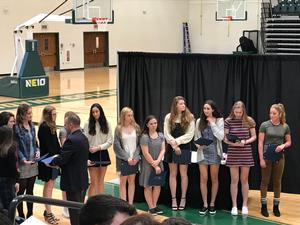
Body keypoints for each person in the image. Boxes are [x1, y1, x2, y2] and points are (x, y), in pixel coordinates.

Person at [50, 113, 89, 225]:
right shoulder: (83, 137)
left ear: (71, 125)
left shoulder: (71, 140)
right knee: (80, 211)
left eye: (65, 124)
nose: (64, 126)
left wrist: (51, 162)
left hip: (73, 182)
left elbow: (62, 159)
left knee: (74, 213)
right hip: (82, 180)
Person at [258, 103, 291, 217]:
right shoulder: (264, 125)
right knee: (265, 181)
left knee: (277, 181)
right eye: (270, 113)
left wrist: (282, 146)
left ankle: (276, 206)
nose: (271, 115)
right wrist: (261, 158)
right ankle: (263, 206)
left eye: (274, 113)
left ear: (280, 114)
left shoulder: (285, 126)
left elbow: (289, 142)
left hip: (279, 157)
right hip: (267, 156)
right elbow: (260, 142)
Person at [224, 101, 256, 216]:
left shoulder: (249, 120)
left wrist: (245, 142)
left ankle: (244, 205)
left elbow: (254, 136)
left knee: (244, 180)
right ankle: (234, 206)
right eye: (236, 112)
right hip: (233, 152)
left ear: (243, 111)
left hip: (245, 152)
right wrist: (233, 144)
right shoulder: (228, 121)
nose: (238, 114)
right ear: (233, 110)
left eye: (240, 112)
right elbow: (225, 138)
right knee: (234, 180)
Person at [163, 96, 195, 211]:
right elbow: (166, 134)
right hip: (172, 147)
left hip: (184, 147)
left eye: (184, 103)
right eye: (181, 104)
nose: (183, 105)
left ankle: (183, 198)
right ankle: (173, 199)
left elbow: (190, 135)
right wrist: (174, 145)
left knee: (183, 174)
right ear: (175, 105)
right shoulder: (169, 117)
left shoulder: (189, 117)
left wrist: (177, 142)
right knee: (173, 174)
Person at [194, 100, 224, 215]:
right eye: (204, 108)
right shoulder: (198, 121)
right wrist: (198, 145)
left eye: (208, 108)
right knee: (203, 178)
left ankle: (212, 203)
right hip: (202, 153)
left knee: (214, 178)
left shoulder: (219, 120)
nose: (205, 111)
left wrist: (212, 123)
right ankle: (205, 204)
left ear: (213, 110)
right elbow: (196, 137)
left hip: (215, 153)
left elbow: (220, 137)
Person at [14, 103, 39, 219]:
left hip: (33, 164)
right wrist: (23, 159)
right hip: (23, 165)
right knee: (21, 193)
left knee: (30, 191)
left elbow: (35, 143)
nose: (30, 115)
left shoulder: (32, 125)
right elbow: (16, 147)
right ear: (22, 114)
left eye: (31, 113)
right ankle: (21, 216)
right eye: (28, 113)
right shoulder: (17, 127)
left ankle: (30, 215)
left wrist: (37, 151)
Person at [37, 106, 61, 224]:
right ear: (47, 115)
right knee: (48, 186)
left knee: (50, 186)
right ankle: (48, 212)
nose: (55, 116)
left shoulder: (51, 126)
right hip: (48, 161)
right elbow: (48, 146)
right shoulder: (44, 127)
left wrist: (60, 155)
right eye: (53, 114)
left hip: (54, 160)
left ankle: (48, 212)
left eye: (56, 114)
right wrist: (54, 161)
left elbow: (56, 143)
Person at [83, 103, 113, 196]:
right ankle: (91, 204)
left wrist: (99, 147)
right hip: (91, 153)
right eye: (93, 112)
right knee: (93, 182)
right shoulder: (87, 123)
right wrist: (90, 149)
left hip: (103, 153)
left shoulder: (107, 122)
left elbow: (110, 141)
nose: (95, 114)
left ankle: (101, 204)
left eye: (97, 111)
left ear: (100, 112)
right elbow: (85, 140)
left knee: (101, 181)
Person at [113, 107, 140, 204]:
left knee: (132, 182)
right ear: (123, 116)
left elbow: (139, 145)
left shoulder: (136, 128)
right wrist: (126, 157)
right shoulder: (118, 129)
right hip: (123, 160)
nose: (131, 117)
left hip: (134, 160)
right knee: (123, 182)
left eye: (132, 115)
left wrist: (136, 157)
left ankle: (131, 204)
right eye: (129, 115)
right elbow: (116, 146)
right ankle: (124, 204)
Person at [139, 115, 165, 215]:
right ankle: (150, 207)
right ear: (147, 125)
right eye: (151, 124)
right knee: (148, 186)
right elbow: (145, 153)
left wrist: (158, 161)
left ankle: (154, 205)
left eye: (155, 123)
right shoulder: (144, 137)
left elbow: (163, 149)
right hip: (148, 165)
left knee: (157, 186)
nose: (154, 125)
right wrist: (154, 165)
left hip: (158, 164)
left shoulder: (161, 135)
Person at [59, 111, 76, 218]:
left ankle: (71, 206)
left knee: (73, 184)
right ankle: (65, 207)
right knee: (65, 185)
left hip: (74, 161)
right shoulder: (63, 130)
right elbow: (64, 146)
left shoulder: (75, 131)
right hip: (65, 161)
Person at [0, 126, 19, 212]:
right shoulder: (10, 150)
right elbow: (13, 170)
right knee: (9, 207)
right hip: (7, 182)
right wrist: (17, 181)